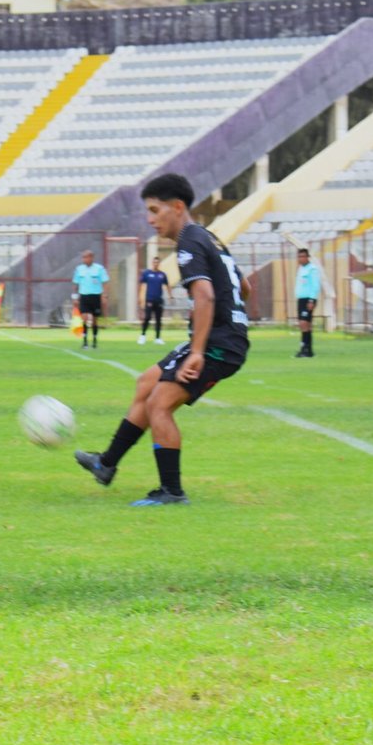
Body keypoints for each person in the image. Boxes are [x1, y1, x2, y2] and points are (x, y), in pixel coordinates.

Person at [73, 174, 250, 507]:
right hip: (222, 337)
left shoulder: (189, 241)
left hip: (217, 345)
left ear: (178, 207)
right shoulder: (209, 239)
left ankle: (172, 491)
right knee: (146, 384)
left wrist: (198, 352)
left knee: (159, 403)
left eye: (155, 210)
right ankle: (106, 463)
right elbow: (244, 286)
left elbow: (205, 296)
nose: (150, 219)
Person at [72, 250, 109, 349]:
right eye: (83, 257)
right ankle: (84, 342)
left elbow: (105, 282)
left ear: (91, 257)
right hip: (84, 296)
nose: (85, 259)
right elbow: (76, 284)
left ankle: (94, 340)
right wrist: (75, 297)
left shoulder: (99, 269)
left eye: (86, 257)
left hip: (95, 296)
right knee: (84, 318)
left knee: (94, 320)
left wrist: (104, 295)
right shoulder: (79, 269)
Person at [294, 248, 322, 358]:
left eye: (303, 256)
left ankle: (306, 349)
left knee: (304, 323)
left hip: (308, 300)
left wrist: (312, 300)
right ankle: (307, 349)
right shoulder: (301, 269)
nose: (301, 259)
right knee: (305, 325)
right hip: (301, 299)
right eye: (299, 256)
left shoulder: (312, 269)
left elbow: (315, 285)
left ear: (307, 257)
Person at [137, 256, 169, 345]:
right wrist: (139, 297)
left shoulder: (162, 274)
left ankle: (157, 338)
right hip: (149, 300)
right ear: (152, 263)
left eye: (157, 262)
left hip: (159, 300)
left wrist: (170, 296)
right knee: (147, 317)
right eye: (154, 262)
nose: (156, 264)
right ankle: (143, 335)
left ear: (159, 264)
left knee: (158, 319)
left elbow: (167, 284)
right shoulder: (147, 273)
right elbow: (141, 284)